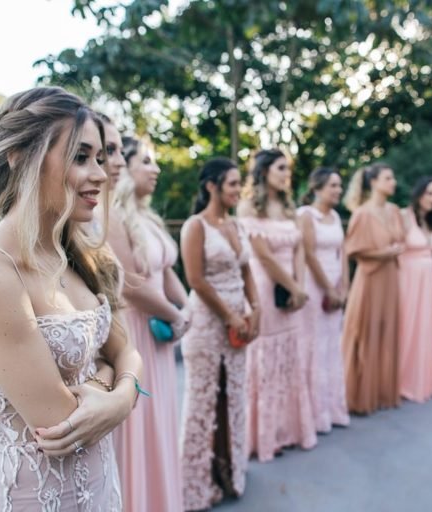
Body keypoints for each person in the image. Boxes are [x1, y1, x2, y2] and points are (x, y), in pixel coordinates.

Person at [0, 86, 143, 510]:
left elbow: (127, 348)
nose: (100, 175)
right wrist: (118, 382)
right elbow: (61, 423)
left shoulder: (84, 254)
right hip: (32, 495)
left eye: (100, 158)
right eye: (80, 157)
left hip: (101, 483)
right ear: (19, 157)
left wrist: (120, 394)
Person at [107, 134, 190, 512]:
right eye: (146, 161)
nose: (156, 169)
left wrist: (186, 306)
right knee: (141, 426)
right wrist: (175, 314)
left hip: (160, 331)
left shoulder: (148, 217)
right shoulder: (113, 215)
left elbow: (166, 269)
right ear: (124, 167)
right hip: (137, 332)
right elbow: (131, 284)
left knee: (160, 423)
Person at [179, 157, 260, 510]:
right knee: (204, 399)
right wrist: (229, 316)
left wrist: (255, 309)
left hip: (239, 322)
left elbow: (247, 271)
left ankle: (230, 470)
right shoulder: (195, 226)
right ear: (211, 186)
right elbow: (195, 280)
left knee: (234, 394)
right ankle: (197, 481)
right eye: (232, 183)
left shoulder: (236, 225)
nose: (238, 190)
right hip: (207, 324)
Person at [238, 148, 317, 462]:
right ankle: (264, 437)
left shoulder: (288, 206)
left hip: (292, 287)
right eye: (281, 168)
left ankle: (288, 430)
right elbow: (263, 255)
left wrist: (300, 286)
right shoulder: (248, 206)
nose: (287, 174)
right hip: (265, 285)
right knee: (267, 358)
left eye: (288, 169)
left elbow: (300, 248)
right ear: (264, 171)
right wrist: (293, 287)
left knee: (289, 357)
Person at [341, 162, 405, 413]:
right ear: (374, 182)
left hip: (391, 277)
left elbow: (401, 240)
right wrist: (383, 253)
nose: (393, 182)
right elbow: (353, 250)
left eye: (393, 178)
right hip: (370, 278)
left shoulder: (394, 210)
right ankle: (359, 396)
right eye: (388, 178)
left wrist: (395, 250)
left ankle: (382, 392)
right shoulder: (362, 214)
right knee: (366, 332)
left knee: (387, 332)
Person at [297, 167, 350, 432]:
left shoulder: (336, 216)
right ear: (317, 188)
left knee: (331, 346)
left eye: (340, 185)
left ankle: (333, 409)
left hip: (335, 287)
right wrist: (328, 288)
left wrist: (344, 288)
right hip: (314, 286)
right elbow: (308, 255)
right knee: (314, 345)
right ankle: (314, 414)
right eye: (333, 185)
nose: (338, 190)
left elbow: (343, 253)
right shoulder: (306, 216)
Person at [398, 176, 432, 403]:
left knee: (425, 325)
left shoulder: (431, 221)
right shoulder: (404, 216)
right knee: (407, 324)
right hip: (408, 277)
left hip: (428, 279)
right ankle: (401, 379)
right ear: (419, 193)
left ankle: (420, 378)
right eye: (429, 193)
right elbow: (395, 248)